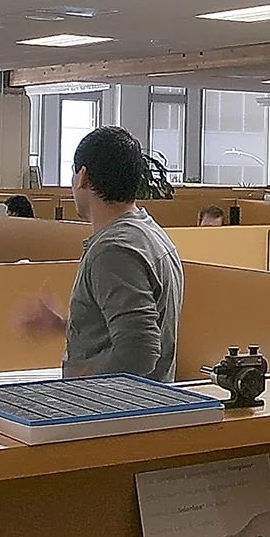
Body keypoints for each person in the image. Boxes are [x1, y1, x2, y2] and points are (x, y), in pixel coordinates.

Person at [18, 126, 184, 380]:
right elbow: (124, 331)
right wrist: (64, 325)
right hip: (143, 408)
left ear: (82, 176)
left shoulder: (114, 251)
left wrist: (80, 376)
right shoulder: (150, 234)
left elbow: (139, 351)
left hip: (117, 412)